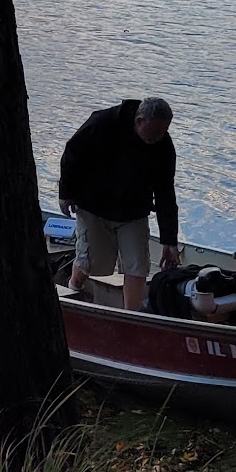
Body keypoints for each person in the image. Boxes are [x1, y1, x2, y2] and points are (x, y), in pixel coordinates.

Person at [57, 96, 180, 311]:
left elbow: (165, 193)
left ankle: (132, 315)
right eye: (154, 133)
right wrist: (66, 193)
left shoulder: (163, 146)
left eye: (163, 132)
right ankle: (74, 286)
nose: (158, 138)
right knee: (93, 263)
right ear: (139, 121)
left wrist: (169, 240)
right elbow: (72, 153)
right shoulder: (103, 122)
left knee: (137, 266)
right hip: (94, 206)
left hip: (133, 211)